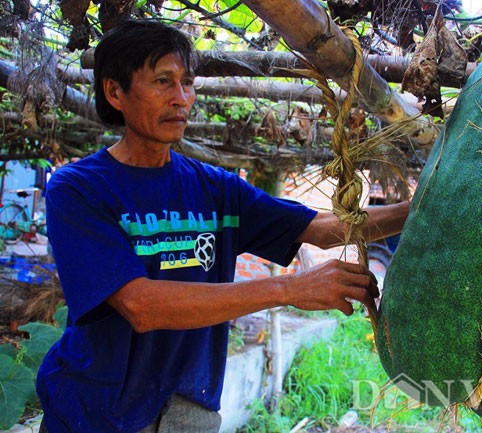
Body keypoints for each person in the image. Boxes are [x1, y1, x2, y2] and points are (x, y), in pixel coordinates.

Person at [36, 19, 410, 433]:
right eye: (163, 81)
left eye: (187, 82)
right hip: (95, 411)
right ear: (114, 92)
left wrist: (419, 208)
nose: (181, 99)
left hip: (187, 413)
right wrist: (288, 289)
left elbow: (321, 227)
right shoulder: (79, 188)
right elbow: (140, 306)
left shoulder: (214, 188)